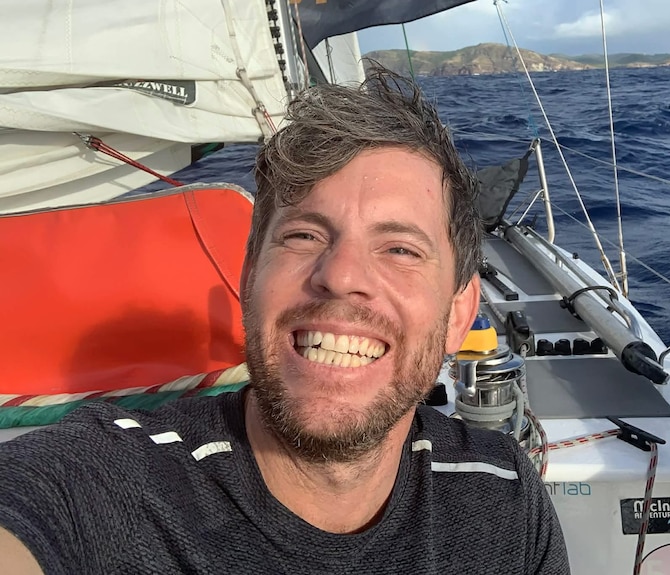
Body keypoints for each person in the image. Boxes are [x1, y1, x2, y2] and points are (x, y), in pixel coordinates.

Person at [0, 67, 569, 574]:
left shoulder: (502, 499)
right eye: (304, 235)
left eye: (400, 249)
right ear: (248, 280)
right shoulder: (104, 482)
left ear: (458, 313)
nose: (342, 275)